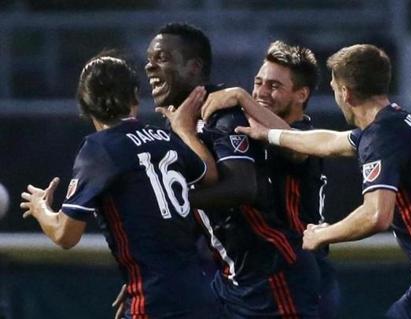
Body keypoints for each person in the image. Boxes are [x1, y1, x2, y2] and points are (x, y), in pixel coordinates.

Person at [233, 43, 411, 319]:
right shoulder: (395, 122)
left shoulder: (382, 136)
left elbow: (376, 215)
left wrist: (323, 234)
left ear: (345, 92)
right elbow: (328, 141)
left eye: (334, 87)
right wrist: (268, 135)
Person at [20, 53, 222, 318]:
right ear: (135, 97)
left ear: (84, 105)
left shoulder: (99, 149)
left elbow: (65, 235)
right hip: (200, 294)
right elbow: (209, 174)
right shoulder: (162, 137)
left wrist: (40, 208)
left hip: (153, 300)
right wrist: (184, 131)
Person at [146, 22, 321, 317]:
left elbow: (243, 186)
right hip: (233, 276)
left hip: (275, 273)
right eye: (258, 83)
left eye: (161, 58)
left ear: (193, 67)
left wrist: (172, 201)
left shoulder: (228, 116)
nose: (150, 67)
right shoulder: (185, 120)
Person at [200, 40, 340, 318]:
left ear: (301, 94)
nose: (261, 92)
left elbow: (296, 148)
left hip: (296, 271)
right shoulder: (254, 127)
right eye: (258, 82)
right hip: (251, 274)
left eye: (274, 86)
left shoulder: (304, 135)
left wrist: (242, 97)